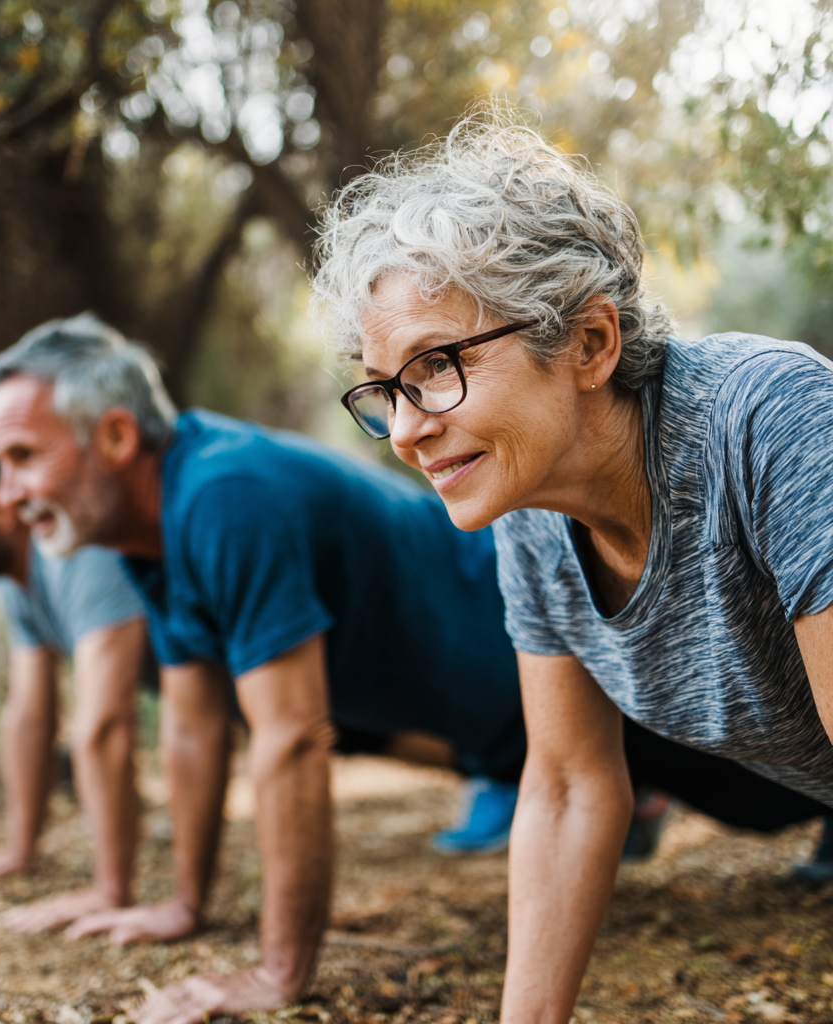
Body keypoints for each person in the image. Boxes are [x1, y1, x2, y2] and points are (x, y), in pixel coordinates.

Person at [0, 314, 831, 1024]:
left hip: (518, 660)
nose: (5, 495)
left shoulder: (223, 496)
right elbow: (196, 725)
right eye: (383, 391)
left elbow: (291, 739)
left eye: (21, 457)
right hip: (474, 717)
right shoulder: (149, 541)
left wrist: (280, 971)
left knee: (769, 789)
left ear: (116, 435)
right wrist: (180, 904)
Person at [312, 111, 833, 1024]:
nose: (404, 431)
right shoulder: (530, 509)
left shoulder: (770, 421)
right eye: (386, 388)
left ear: (591, 344)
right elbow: (565, 787)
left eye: (436, 366)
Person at [0, 434, 152, 932]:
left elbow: (107, 726)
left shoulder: (78, 553)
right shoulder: (20, 580)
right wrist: (19, 852)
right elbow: (29, 716)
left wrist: (109, 892)